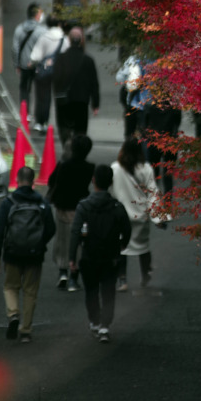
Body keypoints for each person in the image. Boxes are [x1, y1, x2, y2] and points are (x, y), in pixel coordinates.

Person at [0, 166, 56, 343]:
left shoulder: (8, 202)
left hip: (12, 253)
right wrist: (39, 242)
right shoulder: (42, 203)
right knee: (30, 292)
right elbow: (51, 228)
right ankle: (26, 331)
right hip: (34, 255)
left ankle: (13, 314)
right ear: (33, 181)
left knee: (10, 287)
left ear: (17, 180)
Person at [69, 163, 131, 343]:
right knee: (108, 290)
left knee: (91, 291)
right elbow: (127, 229)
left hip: (89, 255)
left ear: (93, 180)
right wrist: (122, 245)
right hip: (111, 255)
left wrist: (72, 257)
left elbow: (75, 232)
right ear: (111, 182)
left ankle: (95, 321)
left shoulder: (84, 206)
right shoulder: (117, 207)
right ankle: (105, 325)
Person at [110, 136, 160, 292]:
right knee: (143, 247)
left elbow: (110, 190)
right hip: (141, 215)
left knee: (121, 248)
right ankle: (145, 274)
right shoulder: (146, 169)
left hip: (121, 216)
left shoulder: (116, 168)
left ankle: (122, 280)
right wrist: (158, 216)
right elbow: (153, 192)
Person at [46, 133, 95, 291]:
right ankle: (74, 278)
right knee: (79, 242)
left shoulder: (64, 165)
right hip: (80, 210)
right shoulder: (90, 168)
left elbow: (52, 181)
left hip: (62, 207)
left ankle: (63, 273)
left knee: (62, 240)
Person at [52, 27, 100, 144]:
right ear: (82, 40)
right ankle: (78, 149)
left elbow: (55, 79)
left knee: (64, 127)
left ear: (69, 40)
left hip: (63, 99)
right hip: (81, 100)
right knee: (80, 129)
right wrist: (95, 103)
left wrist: (57, 94)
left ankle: (67, 147)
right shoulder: (88, 60)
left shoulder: (61, 58)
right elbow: (94, 83)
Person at [28, 15, 68, 132]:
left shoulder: (44, 37)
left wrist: (32, 63)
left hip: (45, 70)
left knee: (43, 96)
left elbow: (35, 56)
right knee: (60, 96)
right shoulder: (64, 39)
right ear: (58, 24)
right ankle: (62, 124)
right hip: (61, 71)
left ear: (47, 24)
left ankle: (41, 122)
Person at [12, 3, 46, 110]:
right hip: (38, 65)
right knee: (40, 90)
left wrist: (17, 64)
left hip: (24, 65)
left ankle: (25, 113)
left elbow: (15, 48)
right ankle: (39, 115)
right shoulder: (42, 31)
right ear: (37, 15)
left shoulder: (19, 29)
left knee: (24, 89)